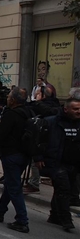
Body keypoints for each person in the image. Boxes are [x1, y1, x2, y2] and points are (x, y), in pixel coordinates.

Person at [0, 87, 32, 233]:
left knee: (14, 187)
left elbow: (0, 135)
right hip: (24, 155)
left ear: (14, 100)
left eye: (9, 96)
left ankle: (22, 220)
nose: (7, 98)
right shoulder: (29, 112)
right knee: (12, 183)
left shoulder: (11, 114)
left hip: (11, 155)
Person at [38, 89, 80, 231]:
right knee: (64, 190)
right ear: (66, 109)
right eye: (75, 109)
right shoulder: (52, 122)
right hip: (57, 162)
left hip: (74, 164)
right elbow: (40, 142)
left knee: (63, 190)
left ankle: (54, 214)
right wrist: (38, 157)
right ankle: (65, 219)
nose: (78, 111)